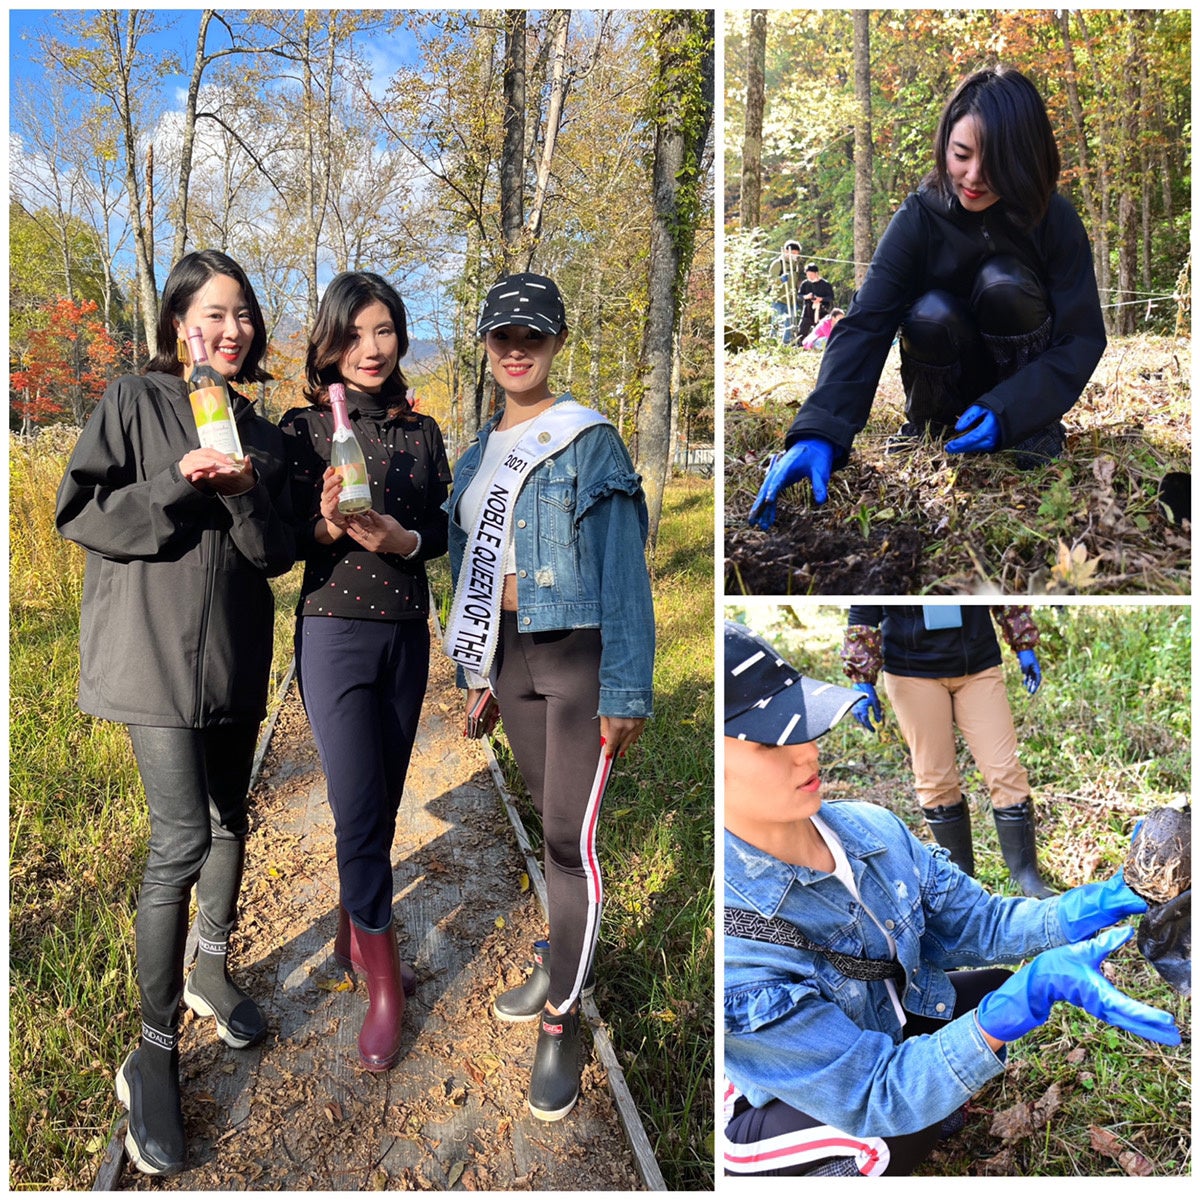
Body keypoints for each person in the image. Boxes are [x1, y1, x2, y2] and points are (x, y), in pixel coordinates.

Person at [722, 620, 1179, 1177]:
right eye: (770, 741)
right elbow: (873, 1092)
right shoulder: (735, 942)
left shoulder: (869, 831)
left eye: (802, 726)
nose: (808, 753)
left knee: (992, 991)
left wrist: (1101, 901)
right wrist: (993, 1025)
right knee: (894, 1131)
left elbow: (982, 924)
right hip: (774, 1098)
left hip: (870, 1025)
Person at [56, 250, 295, 1176]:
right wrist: (176, 481)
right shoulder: (133, 400)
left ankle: (210, 969)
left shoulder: (260, 431)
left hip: (233, 657)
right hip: (150, 659)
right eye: (214, 314)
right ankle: (151, 1053)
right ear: (177, 324)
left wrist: (244, 493)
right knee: (180, 840)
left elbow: (273, 554)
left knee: (231, 818)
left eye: (243, 314)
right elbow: (83, 511)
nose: (232, 330)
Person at [444, 272, 655, 1122]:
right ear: (486, 345)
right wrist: (479, 672)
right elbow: (469, 570)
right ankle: (559, 954)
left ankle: (563, 1018)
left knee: (571, 842)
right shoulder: (475, 454)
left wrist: (626, 687)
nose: (517, 348)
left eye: (533, 333)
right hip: (511, 663)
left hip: (576, 660)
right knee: (547, 826)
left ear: (557, 341)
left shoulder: (588, 440)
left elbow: (624, 571)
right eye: (503, 334)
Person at [749, 66, 1106, 527]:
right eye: (961, 155)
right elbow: (867, 322)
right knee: (930, 312)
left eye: (995, 163)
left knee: (1003, 283)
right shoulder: (919, 217)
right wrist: (818, 430)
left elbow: (1081, 336)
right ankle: (930, 427)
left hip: (1024, 401)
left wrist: (1015, 410)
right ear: (945, 146)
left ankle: (1030, 433)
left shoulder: (1052, 219)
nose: (973, 177)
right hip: (941, 390)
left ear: (1023, 159)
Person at [279, 272, 451, 1073]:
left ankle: (355, 939)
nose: (370, 348)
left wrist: (403, 541)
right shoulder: (306, 428)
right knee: (354, 807)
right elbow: (283, 540)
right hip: (333, 634)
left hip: (406, 636)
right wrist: (322, 521)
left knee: (382, 802)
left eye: (383, 331)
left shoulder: (422, 430)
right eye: (353, 334)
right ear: (330, 342)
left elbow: (441, 529)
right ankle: (385, 988)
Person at [842, 604, 1054, 897]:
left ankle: (1027, 876)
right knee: (936, 780)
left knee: (1005, 769)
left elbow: (1000, 592)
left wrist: (1023, 643)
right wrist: (862, 678)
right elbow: (864, 609)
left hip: (977, 664)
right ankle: (961, 881)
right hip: (912, 670)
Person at [767, 240, 804, 344]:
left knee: (790, 323)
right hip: (778, 299)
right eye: (793, 253)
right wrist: (780, 280)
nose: (795, 255)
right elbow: (770, 281)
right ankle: (772, 343)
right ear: (786, 251)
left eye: (797, 253)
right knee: (776, 322)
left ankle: (786, 343)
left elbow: (796, 281)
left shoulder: (796, 265)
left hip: (791, 300)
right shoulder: (778, 264)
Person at [796, 262, 835, 343]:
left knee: (821, 330)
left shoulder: (825, 284)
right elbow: (799, 296)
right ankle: (800, 345)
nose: (809, 277)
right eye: (808, 275)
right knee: (802, 329)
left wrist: (821, 299)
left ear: (816, 273)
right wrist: (806, 296)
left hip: (822, 311)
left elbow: (831, 298)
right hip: (807, 310)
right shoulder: (805, 283)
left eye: (811, 274)